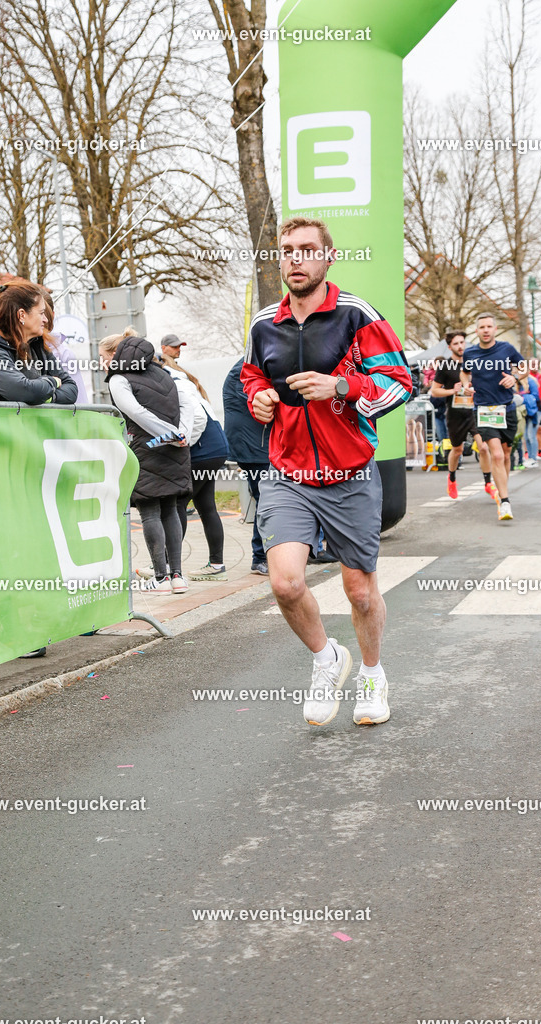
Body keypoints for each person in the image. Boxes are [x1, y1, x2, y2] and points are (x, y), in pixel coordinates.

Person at [242, 216, 412, 728]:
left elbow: (401, 381)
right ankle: (326, 658)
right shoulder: (264, 323)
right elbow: (250, 375)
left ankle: (372, 674)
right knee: (285, 583)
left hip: (350, 473)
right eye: (287, 251)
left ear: (328, 257)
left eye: (307, 249)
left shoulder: (356, 316)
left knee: (359, 591)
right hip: (288, 473)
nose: (295, 259)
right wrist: (259, 398)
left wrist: (341, 387)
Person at [99, 330, 192, 594]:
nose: (101, 363)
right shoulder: (164, 373)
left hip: (146, 449)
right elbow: (187, 403)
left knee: (150, 512)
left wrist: (168, 433)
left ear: (117, 354)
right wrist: (180, 434)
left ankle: (160, 578)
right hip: (175, 449)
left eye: (103, 357)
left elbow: (134, 411)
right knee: (171, 509)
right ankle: (177, 577)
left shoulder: (119, 379)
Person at [160, 353, 230, 581]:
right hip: (215, 447)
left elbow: (197, 419)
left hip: (204, 449)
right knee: (206, 506)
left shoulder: (175, 382)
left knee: (178, 503)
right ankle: (216, 565)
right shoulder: (184, 380)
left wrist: (184, 443)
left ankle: (167, 565)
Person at [0, 280, 78, 405]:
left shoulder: (36, 344)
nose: (45, 320)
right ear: (22, 315)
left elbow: (71, 389)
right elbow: (25, 391)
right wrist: (53, 382)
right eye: (41, 313)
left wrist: (47, 397)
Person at [460, 312, 525, 521]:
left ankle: (501, 488)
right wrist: (465, 385)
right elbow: (464, 372)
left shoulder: (507, 349)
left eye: (489, 326)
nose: (486, 330)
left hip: (507, 408)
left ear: (495, 329)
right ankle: (505, 502)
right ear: (477, 331)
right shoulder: (470, 353)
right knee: (495, 455)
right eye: (482, 327)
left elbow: (524, 367)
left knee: (505, 455)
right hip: (484, 409)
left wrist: (514, 377)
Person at [430, 330, 498, 502]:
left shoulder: (474, 362)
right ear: (449, 347)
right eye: (456, 344)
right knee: (457, 450)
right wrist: (452, 391)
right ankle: (452, 478)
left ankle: (488, 483)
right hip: (455, 413)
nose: (460, 346)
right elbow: (434, 391)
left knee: (483, 447)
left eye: (462, 342)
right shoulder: (445, 366)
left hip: (475, 411)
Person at [223, 357, 270, 575]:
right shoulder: (247, 369)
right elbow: (264, 403)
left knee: (267, 499)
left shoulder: (253, 364)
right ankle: (260, 557)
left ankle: (267, 554)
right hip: (254, 448)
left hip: (255, 445)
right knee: (266, 500)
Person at [516, 365, 541, 467]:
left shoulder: (530, 381)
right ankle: (530, 457)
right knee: (526, 436)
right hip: (525, 412)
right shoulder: (518, 383)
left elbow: (535, 396)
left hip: (534, 412)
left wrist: (523, 397)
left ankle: (533, 458)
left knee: (531, 435)